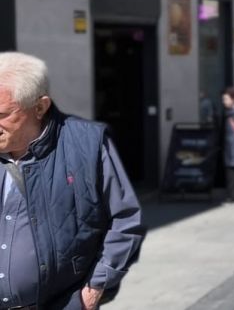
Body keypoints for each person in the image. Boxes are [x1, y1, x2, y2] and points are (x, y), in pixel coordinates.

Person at [0, 52, 144, 309]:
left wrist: (94, 289)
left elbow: (126, 219)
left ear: (40, 107)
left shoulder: (87, 145)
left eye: (2, 114)